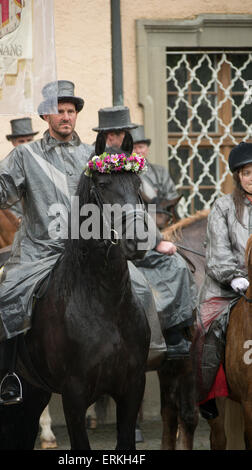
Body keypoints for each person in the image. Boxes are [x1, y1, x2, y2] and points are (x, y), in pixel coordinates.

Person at [0, 80, 93, 404]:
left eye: (71, 111)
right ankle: (10, 372)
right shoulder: (26, 154)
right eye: (59, 111)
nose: (66, 116)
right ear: (46, 116)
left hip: (87, 251)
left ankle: (140, 359)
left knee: (136, 285)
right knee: (6, 295)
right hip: (38, 252)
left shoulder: (92, 155)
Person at [92, 106, 197, 361]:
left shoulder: (131, 163)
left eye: (122, 132)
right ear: (104, 135)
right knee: (137, 285)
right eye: (113, 133)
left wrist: (158, 240)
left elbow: (141, 207)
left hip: (137, 233)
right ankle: (149, 341)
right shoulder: (95, 163)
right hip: (104, 240)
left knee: (177, 265)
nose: (118, 138)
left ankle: (173, 332)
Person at [194, 142, 252, 420]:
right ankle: (206, 394)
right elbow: (217, 252)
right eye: (247, 172)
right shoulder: (223, 207)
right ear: (238, 177)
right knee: (207, 327)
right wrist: (235, 278)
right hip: (228, 288)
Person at [130, 125, 179, 201]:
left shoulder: (160, 172)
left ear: (147, 149)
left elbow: (172, 197)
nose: (138, 151)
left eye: (141, 147)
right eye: (134, 148)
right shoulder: (124, 174)